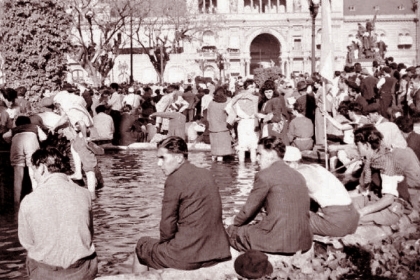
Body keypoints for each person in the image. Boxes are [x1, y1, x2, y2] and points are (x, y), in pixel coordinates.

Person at [133, 137, 231, 272]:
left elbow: (167, 225)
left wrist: (167, 245)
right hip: (217, 251)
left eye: (163, 158)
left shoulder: (174, 180)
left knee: (142, 245)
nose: (158, 164)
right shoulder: (206, 173)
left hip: (189, 255)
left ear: (179, 158)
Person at [18, 148, 98, 280]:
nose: (33, 176)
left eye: (34, 170)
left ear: (42, 168)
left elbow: (27, 242)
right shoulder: (84, 194)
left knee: (32, 254)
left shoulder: (28, 200)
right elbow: (89, 234)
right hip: (82, 271)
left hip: (46, 273)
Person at [224, 136, 312, 253]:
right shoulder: (298, 175)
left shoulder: (264, 175)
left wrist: (233, 222)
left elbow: (249, 211)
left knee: (230, 231)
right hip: (304, 241)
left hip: (278, 241)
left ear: (271, 154)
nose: (257, 159)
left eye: (260, 154)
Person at [284, 146, 359, 237]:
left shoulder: (300, 174)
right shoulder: (314, 167)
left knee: (286, 216)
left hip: (339, 224)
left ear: (291, 163)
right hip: (351, 217)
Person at [352, 125, 411, 225]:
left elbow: (388, 199)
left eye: (357, 146)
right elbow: (363, 190)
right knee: (344, 207)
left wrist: (362, 212)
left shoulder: (386, 163)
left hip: (392, 205)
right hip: (375, 197)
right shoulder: (372, 158)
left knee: (352, 220)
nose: (356, 149)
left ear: (366, 145)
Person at [3, 116, 47, 209]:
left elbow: (4, 136)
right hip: (31, 143)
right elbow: (44, 137)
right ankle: (37, 197)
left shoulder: (14, 129)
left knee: (17, 174)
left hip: (17, 145)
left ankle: (16, 202)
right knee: (33, 170)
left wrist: (10, 141)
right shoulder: (34, 127)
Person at [225, 79, 260, 163]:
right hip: (252, 122)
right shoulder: (256, 98)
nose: (254, 89)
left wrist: (234, 117)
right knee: (253, 147)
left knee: (242, 147)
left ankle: (241, 169)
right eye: (252, 87)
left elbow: (227, 108)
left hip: (242, 123)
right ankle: (253, 168)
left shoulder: (237, 98)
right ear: (246, 88)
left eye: (254, 87)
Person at [258, 79, 289, 145]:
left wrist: (263, 116)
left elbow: (277, 118)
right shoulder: (265, 101)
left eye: (270, 92)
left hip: (274, 128)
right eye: (266, 92)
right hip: (268, 127)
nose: (268, 94)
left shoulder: (275, 100)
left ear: (273, 91)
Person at [207, 86, 233, 161]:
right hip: (223, 130)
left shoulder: (211, 103)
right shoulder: (226, 104)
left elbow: (208, 117)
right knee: (221, 155)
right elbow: (230, 117)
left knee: (214, 153)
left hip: (212, 129)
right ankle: (220, 170)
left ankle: (214, 169)